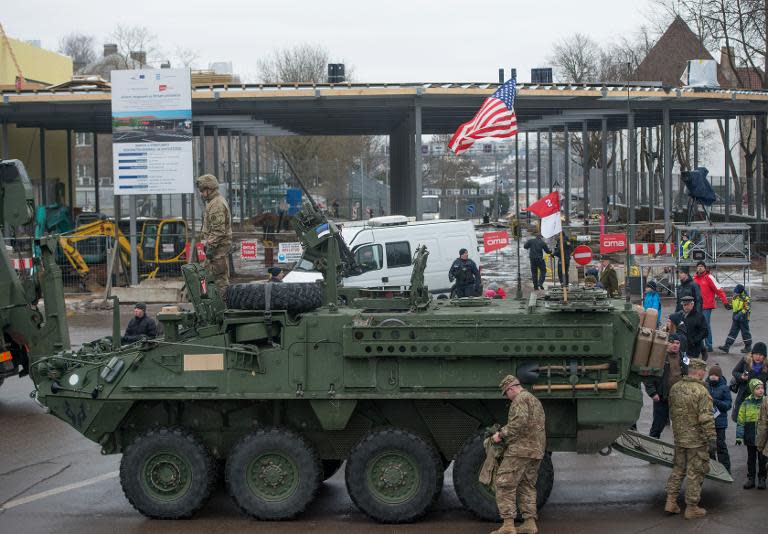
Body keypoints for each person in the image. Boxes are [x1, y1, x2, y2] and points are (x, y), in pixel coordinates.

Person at [491, 375, 546, 534]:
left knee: (504, 482)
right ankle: (529, 524)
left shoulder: (520, 399)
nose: (507, 397)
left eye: (506, 393)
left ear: (511, 388)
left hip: (521, 449)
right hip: (536, 450)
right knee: (526, 485)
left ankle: (508, 526)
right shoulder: (534, 400)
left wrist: (500, 435)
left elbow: (519, 423)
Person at [664, 357, 716, 519]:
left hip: (680, 437)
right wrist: (712, 437)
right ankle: (692, 507)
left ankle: (671, 502)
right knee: (695, 472)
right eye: (703, 371)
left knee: (678, 469)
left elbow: (672, 411)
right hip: (696, 440)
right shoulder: (702, 391)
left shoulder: (676, 388)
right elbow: (705, 417)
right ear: (699, 371)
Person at [644, 333, 688, 439]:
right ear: (667, 343)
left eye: (677, 343)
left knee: (682, 426)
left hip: (679, 397)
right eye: (672, 342)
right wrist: (652, 393)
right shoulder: (659, 356)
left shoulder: (684, 357)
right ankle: (652, 445)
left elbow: (688, 375)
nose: (675, 345)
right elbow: (648, 376)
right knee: (658, 425)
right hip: (661, 397)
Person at [197, 174, 232, 298]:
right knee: (211, 279)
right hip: (215, 250)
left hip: (217, 250)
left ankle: (222, 307)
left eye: (203, 191)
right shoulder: (213, 202)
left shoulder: (216, 204)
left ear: (209, 189)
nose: (201, 194)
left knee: (220, 281)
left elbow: (218, 230)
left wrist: (210, 248)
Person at [736, 379, 767, 489]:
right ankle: (751, 478)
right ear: (752, 390)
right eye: (758, 388)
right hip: (750, 436)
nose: (761, 390)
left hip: (762, 437)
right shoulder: (746, 402)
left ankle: (762, 478)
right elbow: (740, 420)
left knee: (763, 459)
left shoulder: (766, 401)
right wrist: (739, 436)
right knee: (751, 459)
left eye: (762, 388)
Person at [693, 261, 729, 352]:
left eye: (702, 266)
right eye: (698, 266)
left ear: (705, 268)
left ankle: (709, 345)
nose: (700, 268)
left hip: (707, 306)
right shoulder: (694, 279)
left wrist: (725, 301)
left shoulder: (709, 277)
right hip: (696, 306)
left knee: (706, 326)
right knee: (696, 326)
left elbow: (719, 289)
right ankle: (699, 345)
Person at [729, 342, 768, 423]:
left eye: (761, 355)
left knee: (758, 423)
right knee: (742, 421)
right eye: (756, 354)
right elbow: (735, 372)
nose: (758, 357)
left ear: (764, 356)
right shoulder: (745, 360)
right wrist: (741, 377)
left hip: (759, 399)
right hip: (744, 397)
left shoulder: (766, 365)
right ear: (752, 354)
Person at [706, 365, 732, 474]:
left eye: (715, 375)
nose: (713, 377)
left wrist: (715, 401)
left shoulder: (724, 388)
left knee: (720, 446)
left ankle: (725, 469)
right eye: (711, 375)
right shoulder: (705, 386)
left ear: (719, 376)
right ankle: (712, 467)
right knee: (709, 446)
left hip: (720, 422)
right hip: (707, 422)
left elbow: (728, 405)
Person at [718, 284, 751, 354]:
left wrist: (739, 314)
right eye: (735, 292)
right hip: (736, 317)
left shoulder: (746, 297)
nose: (735, 293)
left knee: (745, 332)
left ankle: (748, 347)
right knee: (733, 332)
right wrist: (729, 306)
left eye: (736, 292)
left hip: (744, 317)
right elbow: (734, 305)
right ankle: (726, 346)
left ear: (740, 291)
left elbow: (746, 308)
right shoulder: (735, 296)